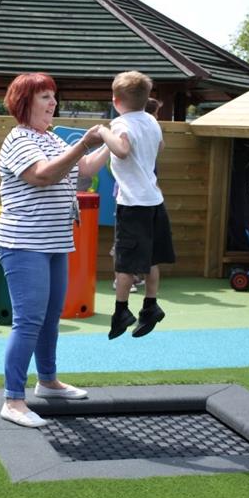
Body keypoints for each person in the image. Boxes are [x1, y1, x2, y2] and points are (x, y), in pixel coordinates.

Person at [0, 72, 106, 428]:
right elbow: (43, 175)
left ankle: (47, 381)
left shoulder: (54, 138)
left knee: (49, 317)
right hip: (24, 243)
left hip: (55, 242)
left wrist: (112, 140)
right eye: (44, 97)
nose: (52, 103)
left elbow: (84, 171)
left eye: (53, 96)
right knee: (28, 320)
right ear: (24, 102)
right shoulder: (19, 139)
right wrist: (85, 143)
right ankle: (13, 400)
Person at [97, 71, 176, 340]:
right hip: (154, 200)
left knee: (125, 262)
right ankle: (150, 305)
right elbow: (161, 146)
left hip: (133, 203)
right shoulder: (152, 122)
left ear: (116, 100)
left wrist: (102, 132)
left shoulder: (120, 124)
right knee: (151, 258)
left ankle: (121, 311)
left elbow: (121, 150)